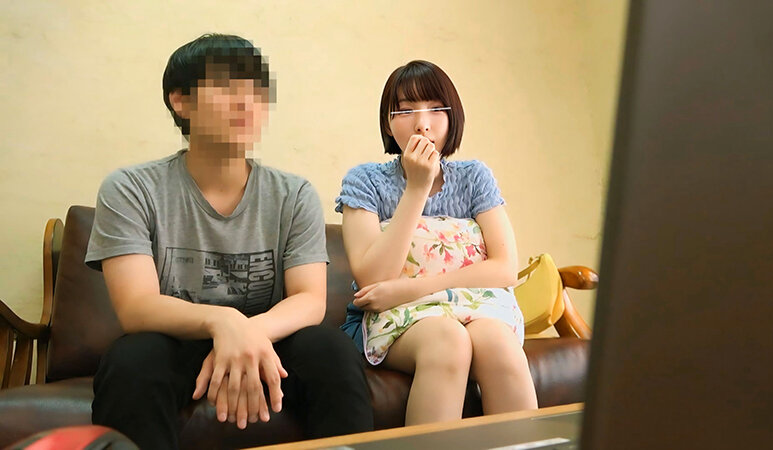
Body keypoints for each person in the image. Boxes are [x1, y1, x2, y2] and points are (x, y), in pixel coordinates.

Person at [86, 34, 373, 449]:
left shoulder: (293, 194)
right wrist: (223, 322)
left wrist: (249, 333)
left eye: (257, 91)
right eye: (226, 87)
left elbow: (310, 299)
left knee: (330, 349)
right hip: (176, 342)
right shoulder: (131, 188)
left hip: (270, 340)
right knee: (133, 359)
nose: (246, 103)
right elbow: (137, 306)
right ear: (181, 101)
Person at [336, 60, 538, 425]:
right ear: (388, 122)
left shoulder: (474, 177)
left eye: (435, 109)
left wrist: (415, 289)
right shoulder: (364, 181)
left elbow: (506, 268)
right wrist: (417, 188)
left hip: (474, 307)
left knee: (499, 343)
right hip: (394, 319)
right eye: (406, 111)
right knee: (448, 340)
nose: (422, 123)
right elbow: (373, 277)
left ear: (452, 117)